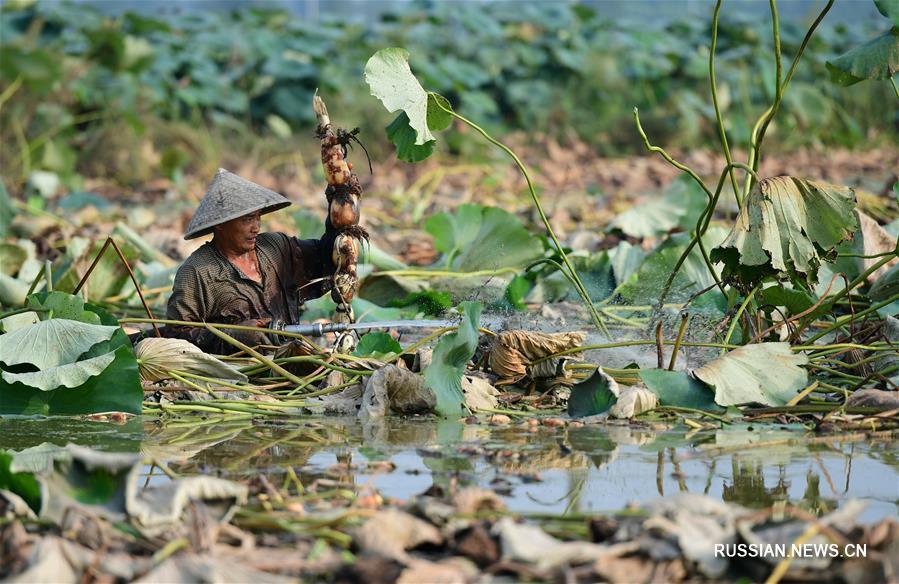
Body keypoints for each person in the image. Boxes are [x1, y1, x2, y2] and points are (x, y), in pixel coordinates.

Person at [162, 168, 340, 354]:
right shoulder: (198, 271)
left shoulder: (275, 247)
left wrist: (338, 206)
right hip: (240, 373)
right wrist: (233, 336)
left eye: (258, 217)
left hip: (290, 358)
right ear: (221, 224)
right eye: (247, 219)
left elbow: (326, 257)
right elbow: (176, 335)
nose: (256, 227)